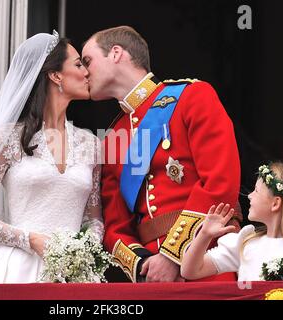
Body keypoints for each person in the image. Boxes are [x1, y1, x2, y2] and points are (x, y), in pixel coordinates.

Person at [0, 31, 104, 283]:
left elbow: (93, 218)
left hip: (74, 275)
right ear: (56, 75)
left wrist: (83, 249)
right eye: (78, 65)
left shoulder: (92, 145)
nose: (87, 72)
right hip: (17, 270)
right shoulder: (9, 137)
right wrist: (30, 239)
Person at [82, 26, 242, 282]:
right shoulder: (113, 137)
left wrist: (172, 255)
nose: (83, 72)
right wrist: (144, 265)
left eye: (87, 61)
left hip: (207, 262)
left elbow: (220, 185)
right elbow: (115, 227)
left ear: (115, 53)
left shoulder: (192, 97)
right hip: (153, 278)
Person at [181, 162, 283, 281]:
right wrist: (205, 235)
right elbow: (190, 271)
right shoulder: (245, 244)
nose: (249, 196)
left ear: (275, 204)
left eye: (256, 191)